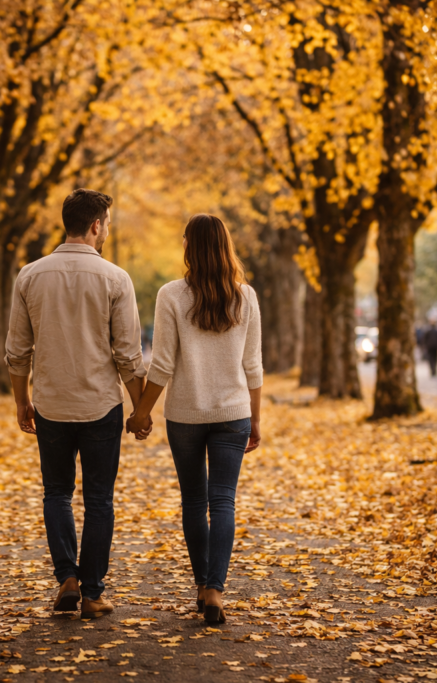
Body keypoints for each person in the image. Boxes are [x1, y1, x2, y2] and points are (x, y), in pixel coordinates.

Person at [5, 188, 146, 619]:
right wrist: (140, 410)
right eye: (107, 225)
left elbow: (16, 352)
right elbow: (128, 355)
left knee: (57, 493)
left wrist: (21, 402)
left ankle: (66, 576)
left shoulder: (29, 275)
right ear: (97, 225)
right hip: (101, 404)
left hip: (50, 404)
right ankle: (92, 592)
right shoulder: (116, 279)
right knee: (99, 499)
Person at [126, 214, 263, 625]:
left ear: (189, 247)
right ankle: (216, 590)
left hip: (186, 415)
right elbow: (253, 366)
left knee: (194, 500)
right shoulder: (246, 296)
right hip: (234, 413)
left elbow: (163, 364)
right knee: (223, 500)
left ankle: (203, 585)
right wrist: (256, 419)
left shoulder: (171, 295)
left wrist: (141, 412)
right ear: (226, 246)